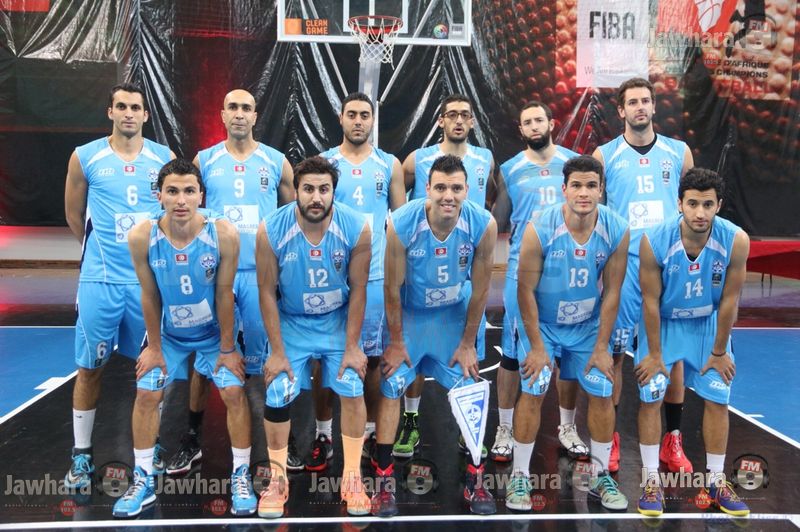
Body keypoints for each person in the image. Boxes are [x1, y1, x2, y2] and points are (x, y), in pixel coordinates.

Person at [112, 159, 257, 517]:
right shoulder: (142, 236)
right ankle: (143, 478)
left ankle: (241, 476)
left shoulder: (223, 233)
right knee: (147, 392)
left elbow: (225, 293)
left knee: (233, 392)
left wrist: (227, 348)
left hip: (213, 333)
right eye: (172, 191)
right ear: (159, 196)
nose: (181, 200)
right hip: (169, 335)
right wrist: (154, 348)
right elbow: (149, 295)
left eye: (189, 191)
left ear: (201, 196)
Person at [166, 89, 294, 475]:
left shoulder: (276, 161)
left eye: (246, 108)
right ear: (222, 115)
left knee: (269, 359)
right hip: (214, 275)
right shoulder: (204, 160)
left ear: (256, 115)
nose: (239, 114)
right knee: (204, 359)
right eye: (233, 107)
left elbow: (292, 217)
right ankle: (192, 438)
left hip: (258, 276)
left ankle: (280, 447)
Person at [371, 155, 498, 517]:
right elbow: (391, 288)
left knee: (470, 384)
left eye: (456, 188)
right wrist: (396, 342)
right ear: (427, 188)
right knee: (391, 383)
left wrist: (468, 343)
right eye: (440, 187)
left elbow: (481, 290)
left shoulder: (483, 224)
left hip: (451, 317)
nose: (448, 195)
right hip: (411, 315)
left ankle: (475, 477)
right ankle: (384, 479)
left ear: (467, 190)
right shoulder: (401, 222)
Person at [63, 83, 175, 490]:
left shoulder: (163, 158)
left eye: (135, 107)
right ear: (110, 111)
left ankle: (151, 446)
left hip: (146, 283)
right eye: (121, 106)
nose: (129, 113)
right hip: (101, 280)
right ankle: (81, 455)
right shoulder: (86, 156)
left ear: (146, 114)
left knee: (150, 368)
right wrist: (100, 252)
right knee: (89, 368)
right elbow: (74, 215)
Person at [507, 155, 629, 512]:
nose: (584, 192)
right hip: (543, 324)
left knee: (602, 391)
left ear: (601, 190)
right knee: (533, 390)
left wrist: (603, 346)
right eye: (576, 185)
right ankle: (519, 476)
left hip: (586, 326)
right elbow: (524, 290)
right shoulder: (540, 227)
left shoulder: (617, 228)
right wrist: (536, 346)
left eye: (591, 185)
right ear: (564, 189)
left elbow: (613, 292)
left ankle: (601, 474)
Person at [255, 156, 372, 518]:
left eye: (324, 189)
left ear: (334, 192)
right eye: (308, 189)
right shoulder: (271, 229)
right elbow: (265, 292)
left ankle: (352, 477)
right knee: (276, 391)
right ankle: (277, 480)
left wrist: (352, 346)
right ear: (295, 191)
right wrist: (277, 351)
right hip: (293, 322)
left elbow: (359, 289)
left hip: (337, 321)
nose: (316, 197)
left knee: (352, 384)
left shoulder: (356, 227)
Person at [593, 77, 695, 473]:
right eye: (632, 102)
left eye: (645, 100)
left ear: (654, 106)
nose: (640, 107)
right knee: (615, 353)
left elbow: (692, 205)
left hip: (669, 267)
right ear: (621, 110)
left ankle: (673, 441)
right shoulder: (605, 156)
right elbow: (597, 213)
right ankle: (611, 439)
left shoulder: (678, 153)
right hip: (625, 267)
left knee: (673, 353)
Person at [635, 168, 750, 517]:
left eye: (708, 205)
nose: (700, 212)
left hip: (707, 326)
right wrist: (655, 354)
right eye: (693, 204)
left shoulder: (735, 240)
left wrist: (720, 351)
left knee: (718, 397)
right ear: (679, 203)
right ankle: (650, 480)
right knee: (651, 395)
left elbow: (729, 300)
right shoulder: (655, 239)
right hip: (665, 325)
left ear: (719, 205)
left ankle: (715, 481)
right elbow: (650, 301)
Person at [303, 92, 405, 471]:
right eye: (352, 114)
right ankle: (323, 434)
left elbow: (401, 221)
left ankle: (371, 434)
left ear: (373, 120)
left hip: (375, 276)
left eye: (365, 114)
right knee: (325, 360)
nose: (358, 121)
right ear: (341, 118)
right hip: (332, 276)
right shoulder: (325, 163)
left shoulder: (389, 165)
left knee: (373, 359)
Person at [395, 94, 495, 459]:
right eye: (451, 114)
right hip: (424, 260)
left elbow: (492, 198)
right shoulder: (417, 159)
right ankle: (410, 419)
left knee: (468, 355)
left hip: (463, 261)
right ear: (441, 120)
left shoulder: (485, 159)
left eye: (465, 115)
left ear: (472, 121)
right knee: (414, 360)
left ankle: (468, 430)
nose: (458, 120)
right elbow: (400, 192)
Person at [489, 100, 583, 464]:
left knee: (569, 354)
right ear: (521, 129)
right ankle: (505, 428)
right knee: (513, 355)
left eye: (538, 120)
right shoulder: (510, 169)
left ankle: (567, 427)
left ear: (551, 123)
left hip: (569, 267)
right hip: (523, 268)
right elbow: (498, 220)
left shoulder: (573, 163)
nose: (533, 126)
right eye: (527, 122)